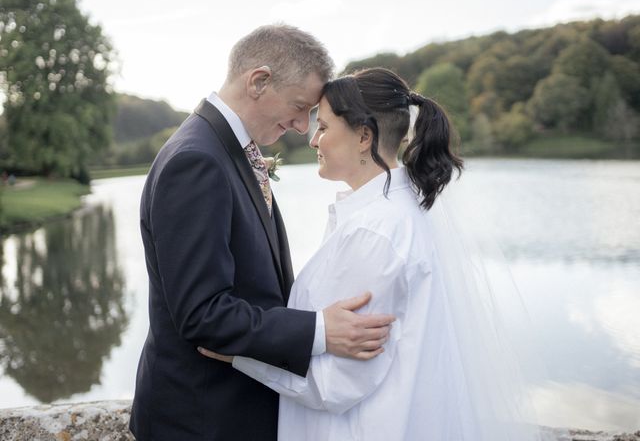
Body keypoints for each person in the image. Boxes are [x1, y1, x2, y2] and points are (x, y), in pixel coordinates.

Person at [200, 68, 553, 440]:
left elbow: (338, 383)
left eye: (324, 127)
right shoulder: (396, 212)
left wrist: (238, 355)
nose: (312, 140)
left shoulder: (376, 233)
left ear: (363, 136)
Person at [129, 26, 395, 441]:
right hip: (201, 421)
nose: (301, 126)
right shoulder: (197, 160)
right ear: (258, 81)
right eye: (299, 106)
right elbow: (203, 313)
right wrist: (320, 331)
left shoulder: (227, 149)